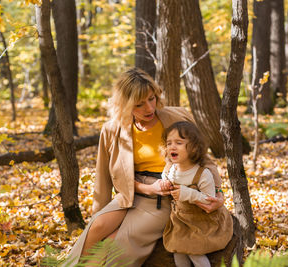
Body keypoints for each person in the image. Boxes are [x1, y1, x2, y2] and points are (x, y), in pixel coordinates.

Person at [60, 68, 225, 267]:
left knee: (116, 242)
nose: (149, 108)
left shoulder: (176, 118)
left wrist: (218, 193)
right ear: (125, 105)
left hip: (164, 198)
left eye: (151, 99)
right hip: (131, 192)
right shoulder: (112, 130)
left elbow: (204, 161)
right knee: (97, 227)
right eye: (139, 104)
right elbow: (103, 177)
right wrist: (100, 210)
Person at [161, 121, 233, 267]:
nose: (172, 147)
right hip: (180, 220)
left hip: (202, 222)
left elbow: (209, 201)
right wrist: (164, 183)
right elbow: (164, 177)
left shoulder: (202, 174)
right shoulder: (171, 170)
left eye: (179, 143)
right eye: (169, 143)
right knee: (178, 251)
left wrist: (188, 193)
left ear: (193, 147)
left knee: (195, 253)